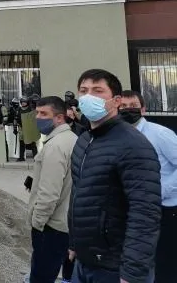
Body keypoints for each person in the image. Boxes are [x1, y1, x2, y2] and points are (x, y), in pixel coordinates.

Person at [69, 69, 161, 283]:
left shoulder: (133, 145)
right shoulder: (84, 140)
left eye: (98, 91)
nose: (89, 96)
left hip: (116, 266)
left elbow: (145, 212)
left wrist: (133, 271)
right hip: (85, 260)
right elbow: (79, 193)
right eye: (84, 91)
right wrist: (74, 242)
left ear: (116, 101)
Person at [119, 90, 177, 283]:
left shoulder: (160, 134)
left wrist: (160, 191)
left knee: (165, 262)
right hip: (134, 208)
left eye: (133, 106)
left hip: (166, 208)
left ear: (143, 109)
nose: (128, 110)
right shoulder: (117, 136)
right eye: (123, 107)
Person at [27, 97, 77, 283]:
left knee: (41, 277)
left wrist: (37, 223)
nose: (38, 118)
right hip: (66, 224)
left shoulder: (56, 146)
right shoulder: (71, 138)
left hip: (51, 227)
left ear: (59, 118)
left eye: (44, 114)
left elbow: (49, 194)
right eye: (37, 113)